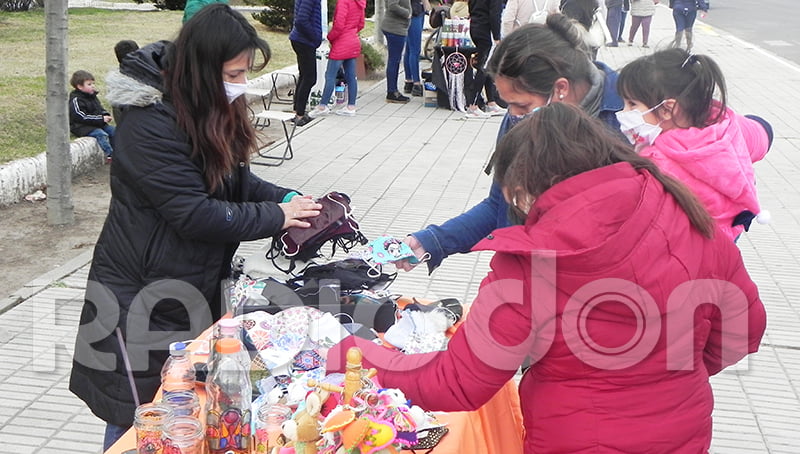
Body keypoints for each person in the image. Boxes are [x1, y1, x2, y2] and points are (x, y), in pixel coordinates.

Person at [329, 102, 767, 453]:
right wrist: (670, 372)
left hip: (574, 436)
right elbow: (741, 335)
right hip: (682, 429)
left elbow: (458, 382)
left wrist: (358, 354)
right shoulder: (688, 216)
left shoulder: (531, 263)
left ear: (531, 184)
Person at [68, 5, 322, 450]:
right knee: (138, 414)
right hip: (138, 299)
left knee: (184, 402)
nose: (241, 84)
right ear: (203, 68)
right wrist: (277, 217)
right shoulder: (150, 122)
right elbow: (195, 212)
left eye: (245, 73)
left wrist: (283, 197)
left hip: (187, 287)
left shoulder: (200, 103)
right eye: (235, 73)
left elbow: (232, 178)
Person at [398, 15, 623, 273]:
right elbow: (500, 205)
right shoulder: (521, 118)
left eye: (522, 105)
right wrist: (431, 241)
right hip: (520, 280)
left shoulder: (629, 122)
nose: (514, 115)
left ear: (560, 89)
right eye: (508, 105)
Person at [616, 48, 772, 242]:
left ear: (667, 109)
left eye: (632, 104)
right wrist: (764, 127)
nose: (623, 112)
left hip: (685, 251)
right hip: (727, 239)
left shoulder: (654, 163)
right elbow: (763, 135)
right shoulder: (726, 128)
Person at [309, 0, 367, 117]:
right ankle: (351, 107)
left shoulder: (343, 2)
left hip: (341, 43)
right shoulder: (360, 2)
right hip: (353, 41)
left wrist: (330, 37)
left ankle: (322, 106)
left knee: (330, 75)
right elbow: (361, 24)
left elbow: (339, 25)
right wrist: (351, 33)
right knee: (351, 76)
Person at [463, 0, 505, 117]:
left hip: (476, 26)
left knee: (487, 66)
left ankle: (491, 103)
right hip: (487, 31)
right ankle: (473, 105)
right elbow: (495, 13)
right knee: (483, 67)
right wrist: (497, 36)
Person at [290, 0, 325, 125]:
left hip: (301, 39)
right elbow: (301, 20)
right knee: (310, 78)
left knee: (304, 75)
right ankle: (299, 115)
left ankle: (297, 111)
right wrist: (315, 36)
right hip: (304, 41)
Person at [68, 70, 115, 163]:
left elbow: (99, 108)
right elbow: (81, 116)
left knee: (114, 131)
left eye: (93, 83)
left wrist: (105, 114)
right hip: (82, 126)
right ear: (80, 86)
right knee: (101, 134)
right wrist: (101, 119)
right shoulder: (76, 100)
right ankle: (110, 155)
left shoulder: (92, 96)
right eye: (89, 84)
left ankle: (120, 151)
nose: (93, 86)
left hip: (97, 122)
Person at [382, 0, 412, 103]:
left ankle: (393, 90)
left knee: (394, 60)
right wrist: (407, 13)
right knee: (394, 60)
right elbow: (392, 5)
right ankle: (392, 92)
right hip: (394, 29)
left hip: (398, 27)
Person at [402, 0, 432, 98]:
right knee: (414, 49)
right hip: (415, 10)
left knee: (409, 48)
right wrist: (426, 3)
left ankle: (408, 81)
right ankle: (416, 83)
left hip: (412, 9)